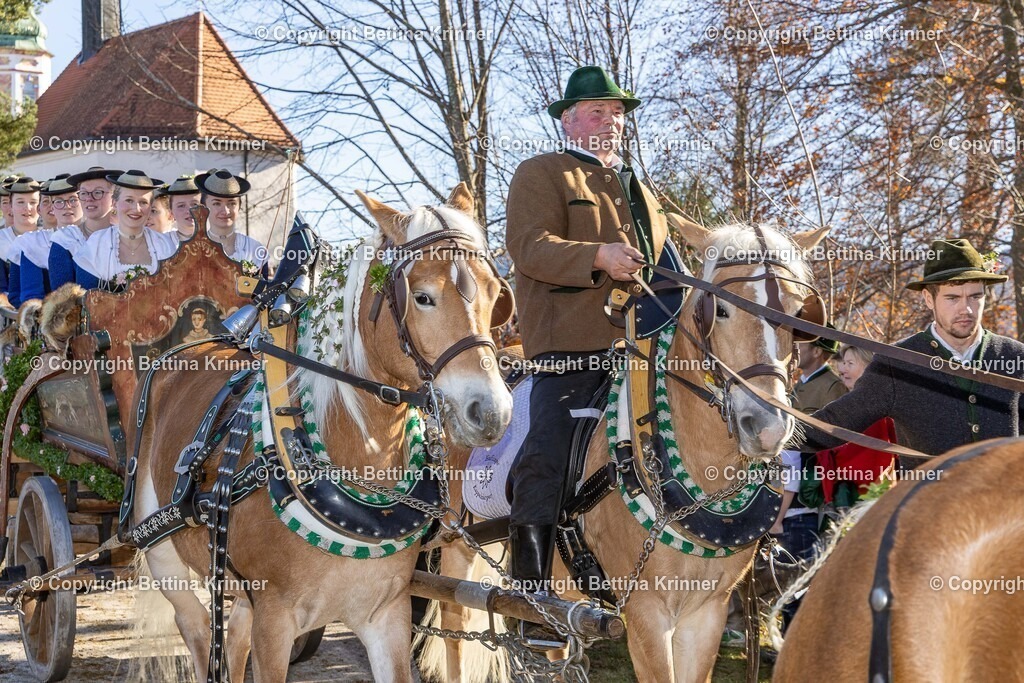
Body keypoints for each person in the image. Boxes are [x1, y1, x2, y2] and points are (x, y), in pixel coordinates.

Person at [504, 65, 668, 646]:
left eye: (617, 112)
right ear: (568, 120)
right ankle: (534, 604)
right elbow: (528, 246)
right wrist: (598, 255)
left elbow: (668, 264)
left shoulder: (642, 191)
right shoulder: (541, 172)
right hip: (570, 352)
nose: (611, 120)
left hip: (646, 350)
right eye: (597, 110)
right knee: (545, 459)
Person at [792, 238, 1024, 457]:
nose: (967, 309)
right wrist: (774, 431)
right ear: (928, 299)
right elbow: (834, 424)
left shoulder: (1015, 356)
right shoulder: (897, 363)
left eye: (975, 297)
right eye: (952, 298)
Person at [815, 345, 897, 508]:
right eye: (844, 363)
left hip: (872, 498)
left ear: (869, 367)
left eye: (850, 364)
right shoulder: (842, 404)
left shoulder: (880, 405)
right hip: (842, 497)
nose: (842, 369)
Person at [73, 170, 177, 289]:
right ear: (114, 203)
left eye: (143, 202)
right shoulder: (97, 244)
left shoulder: (164, 245)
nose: (136, 209)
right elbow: (86, 294)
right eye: (129, 200)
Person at [49, 167, 122, 291]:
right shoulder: (66, 240)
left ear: (114, 199)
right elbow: (62, 296)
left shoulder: (126, 237)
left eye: (98, 192)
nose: (89, 198)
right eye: (83, 193)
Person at [15, 175, 81, 304]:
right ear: (53, 207)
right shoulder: (34, 244)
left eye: (73, 200)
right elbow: (32, 296)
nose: (67, 206)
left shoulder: (101, 238)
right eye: (59, 201)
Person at [194, 169, 266, 268]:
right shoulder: (192, 249)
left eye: (232, 203)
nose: (226, 211)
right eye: (217, 203)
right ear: (204, 206)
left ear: (239, 206)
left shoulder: (254, 250)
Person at [0, 177, 43, 308]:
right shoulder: (2, 240)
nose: (27, 208)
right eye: (20, 202)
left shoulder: (49, 240)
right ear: (11, 206)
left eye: (33, 202)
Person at [165, 175, 201, 241]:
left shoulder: (216, 240)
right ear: (171, 212)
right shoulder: (163, 242)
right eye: (181, 206)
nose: (189, 210)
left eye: (194, 204)